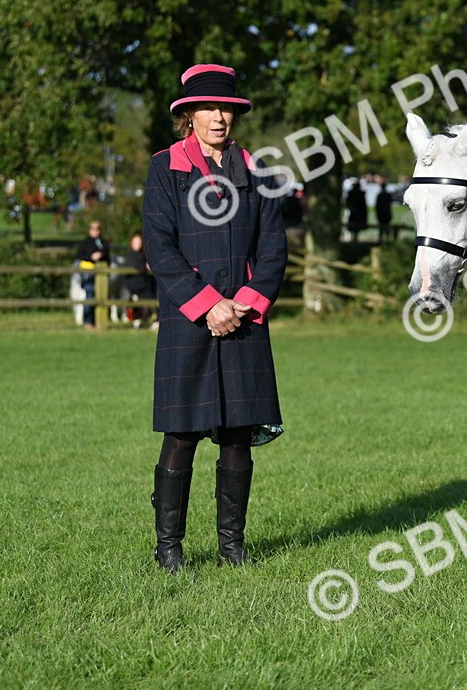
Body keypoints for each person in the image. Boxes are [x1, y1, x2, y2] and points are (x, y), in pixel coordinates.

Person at [143, 64, 288, 574]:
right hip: (189, 321)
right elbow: (160, 250)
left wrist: (244, 302)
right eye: (207, 108)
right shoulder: (164, 169)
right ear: (189, 116)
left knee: (236, 435)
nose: (218, 117)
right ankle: (169, 550)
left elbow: (273, 249)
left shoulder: (258, 170)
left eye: (225, 108)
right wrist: (208, 305)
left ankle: (232, 547)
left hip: (245, 319)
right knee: (181, 434)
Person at [113, 232, 157, 327]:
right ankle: (140, 319)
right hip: (133, 284)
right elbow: (138, 266)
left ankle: (148, 319)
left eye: (139, 242)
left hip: (143, 283)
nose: (137, 244)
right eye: (135, 242)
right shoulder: (130, 255)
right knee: (145, 295)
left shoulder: (144, 254)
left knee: (152, 293)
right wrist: (145, 266)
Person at [74, 220, 110, 329]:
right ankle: (88, 321)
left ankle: (99, 320)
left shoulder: (103, 243)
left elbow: (108, 258)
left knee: (101, 297)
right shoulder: (84, 243)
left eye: (97, 229)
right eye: (93, 229)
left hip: (101, 276)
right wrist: (91, 257)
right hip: (88, 274)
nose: (95, 231)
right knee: (90, 294)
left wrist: (101, 255)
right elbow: (78, 258)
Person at [375, 178, 394, 242]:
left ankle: (382, 241)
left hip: (382, 214)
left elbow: (377, 206)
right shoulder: (387, 195)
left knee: (382, 229)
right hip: (386, 214)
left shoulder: (380, 195)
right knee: (385, 228)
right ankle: (386, 241)